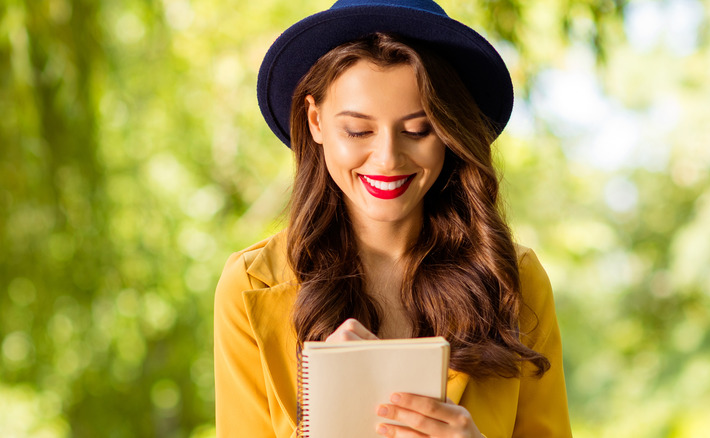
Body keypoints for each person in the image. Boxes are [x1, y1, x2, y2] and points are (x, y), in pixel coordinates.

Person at [213, 0, 572, 436]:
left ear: (448, 132)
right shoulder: (252, 286)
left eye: (418, 130)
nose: (387, 159)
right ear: (316, 121)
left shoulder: (514, 279)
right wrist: (328, 415)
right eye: (359, 130)